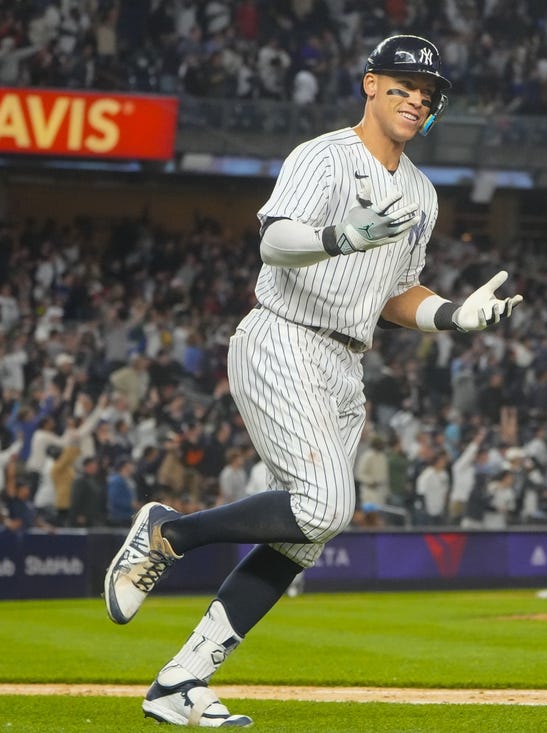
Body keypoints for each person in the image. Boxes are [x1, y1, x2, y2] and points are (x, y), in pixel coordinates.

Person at [102, 34, 522, 728]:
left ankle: (181, 680)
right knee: (326, 503)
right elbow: (274, 241)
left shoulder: (421, 192)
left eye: (428, 92)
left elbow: (397, 293)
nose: (418, 97)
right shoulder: (324, 155)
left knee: (305, 534)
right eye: (403, 85)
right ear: (369, 84)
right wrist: (341, 237)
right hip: (282, 334)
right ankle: (169, 532)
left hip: (344, 360)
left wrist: (452, 314)